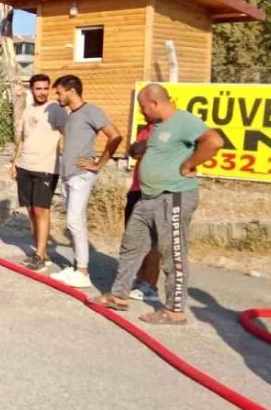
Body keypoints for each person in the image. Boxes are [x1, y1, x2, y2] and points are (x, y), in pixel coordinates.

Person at [91, 84, 222, 324]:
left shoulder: (184, 121)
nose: (142, 112)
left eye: (143, 107)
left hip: (173, 196)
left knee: (172, 253)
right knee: (131, 245)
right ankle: (119, 295)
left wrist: (188, 165)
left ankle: (174, 310)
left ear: (155, 103)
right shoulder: (158, 127)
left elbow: (214, 141)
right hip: (148, 197)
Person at [51, 75, 123, 288]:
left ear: (71, 91)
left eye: (60, 92)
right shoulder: (72, 115)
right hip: (68, 176)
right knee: (73, 222)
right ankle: (77, 267)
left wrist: (99, 164)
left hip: (81, 176)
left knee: (75, 221)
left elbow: (115, 135)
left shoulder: (90, 111)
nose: (58, 96)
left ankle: (83, 272)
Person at [11, 74, 68, 271]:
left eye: (45, 88)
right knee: (30, 210)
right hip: (25, 165)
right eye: (38, 88)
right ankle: (40, 251)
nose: (42, 92)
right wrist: (14, 163)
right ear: (32, 90)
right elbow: (22, 139)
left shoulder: (56, 109)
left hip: (46, 167)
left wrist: (67, 157)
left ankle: (40, 256)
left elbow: (67, 133)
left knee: (41, 210)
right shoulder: (27, 111)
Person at [124, 123, 162, 301]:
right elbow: (134, 151)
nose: (144, 111)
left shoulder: (169, 130)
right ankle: (140, 280)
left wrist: (144, 146)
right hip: (136, 189)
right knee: (135, 238)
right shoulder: (146, 129)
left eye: (146, 107)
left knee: (153, 241)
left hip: (154, 191)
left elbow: (141, 149)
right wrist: (144, 146)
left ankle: (151, 286)